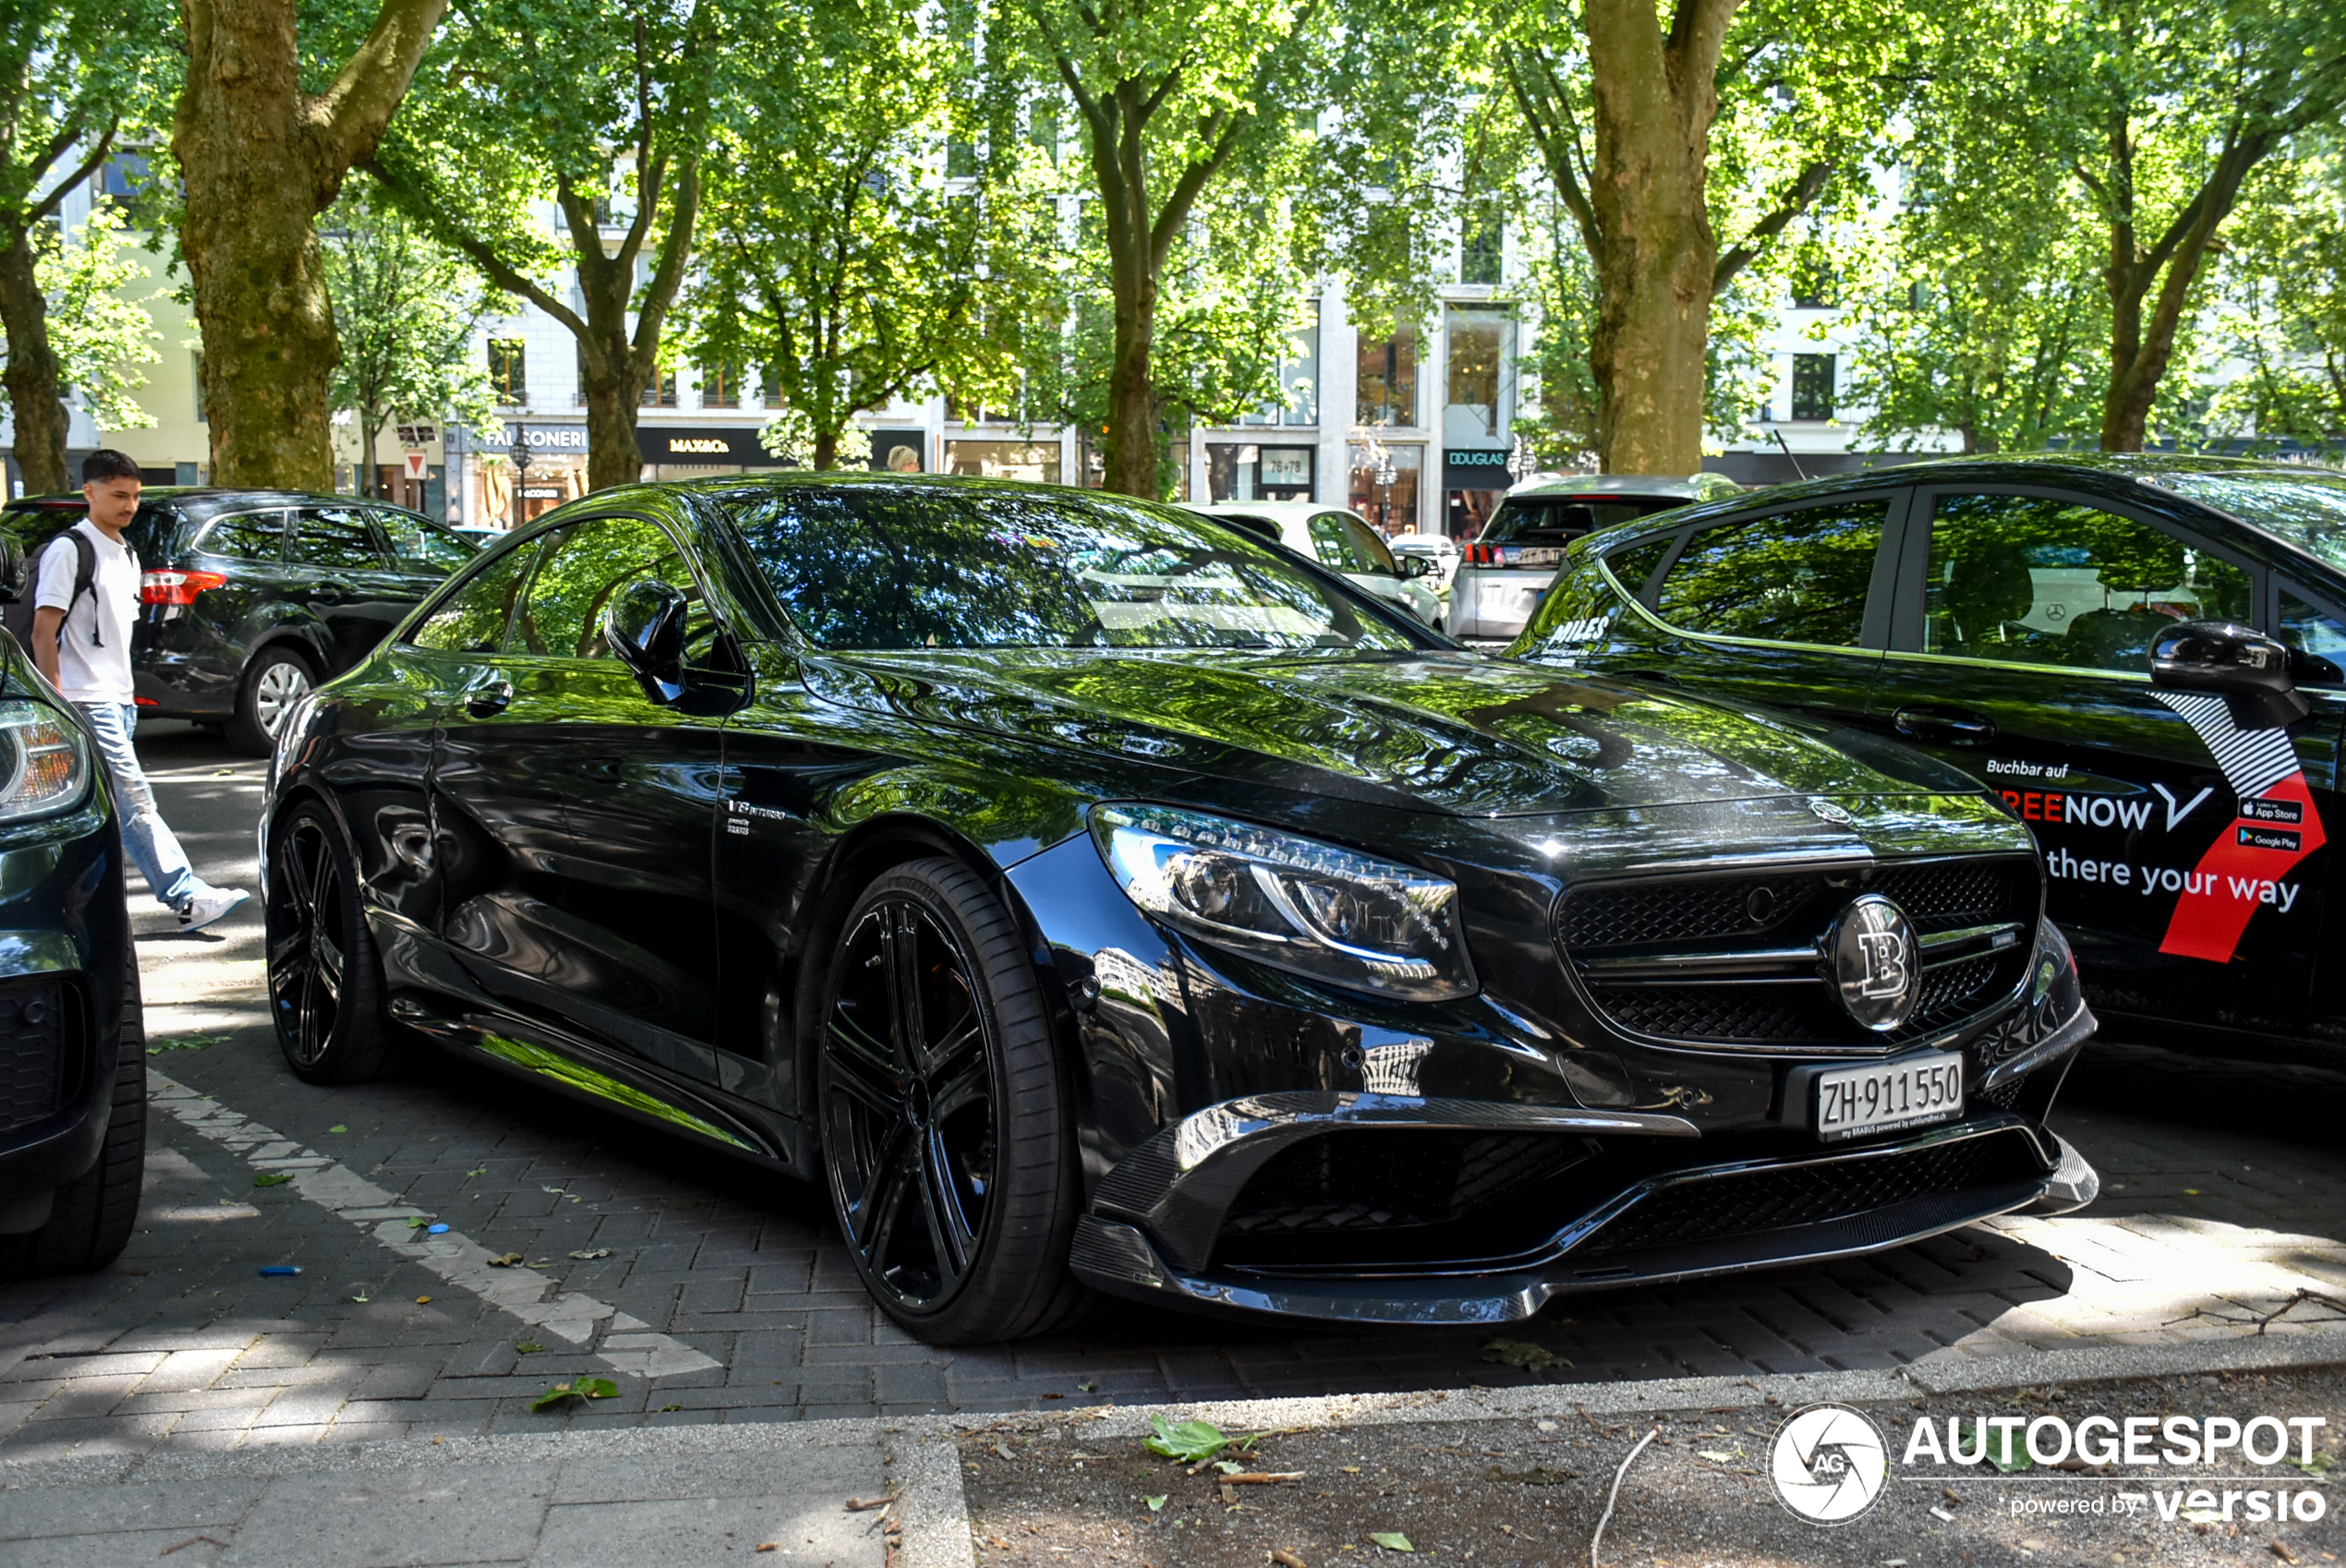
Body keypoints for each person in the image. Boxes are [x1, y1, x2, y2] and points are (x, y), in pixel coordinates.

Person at [31, 450, 248, 931]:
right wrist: (56, 704)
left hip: (120, 701)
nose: (129, 506)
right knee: (135, 802)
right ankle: (186, 895)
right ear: (88, 492)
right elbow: (44, 631)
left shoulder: (126, 552)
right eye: (118, 496)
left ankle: (71, 912)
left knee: (95, 813)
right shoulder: (70, 550)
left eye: (134, 496)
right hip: (86, 701)